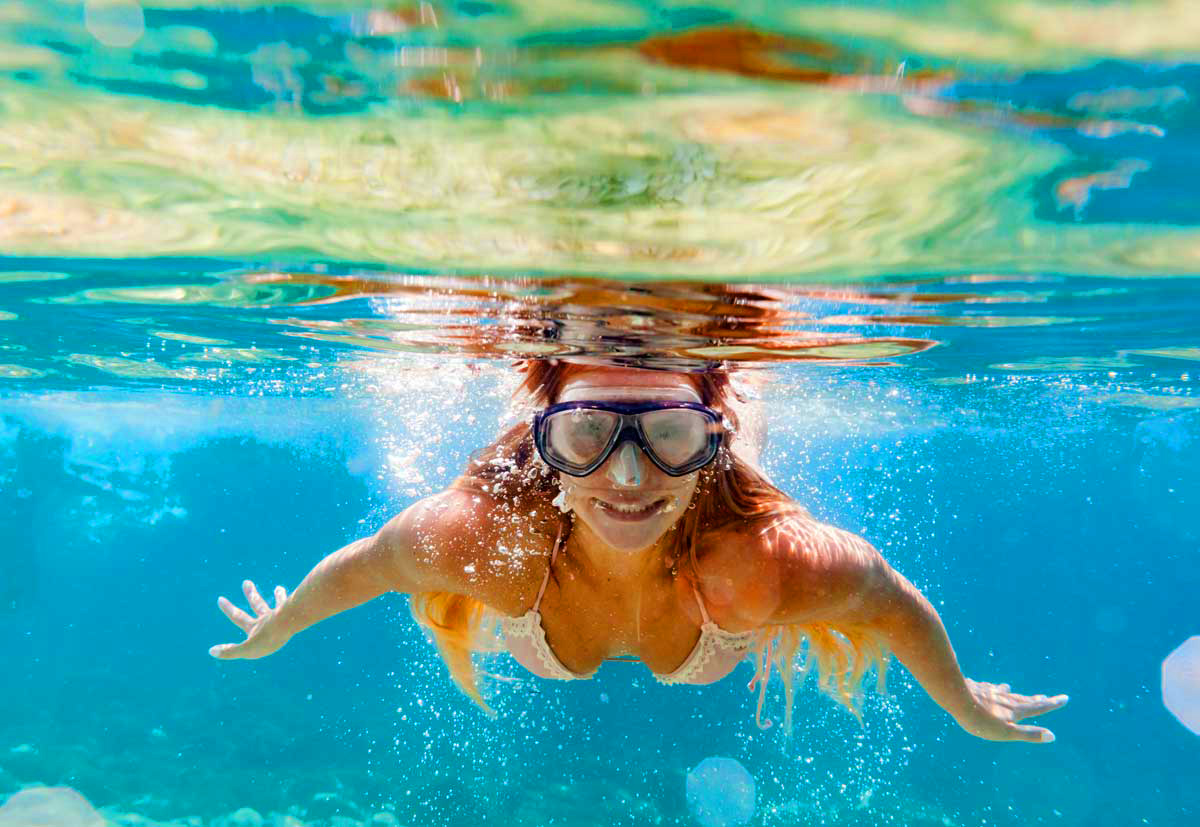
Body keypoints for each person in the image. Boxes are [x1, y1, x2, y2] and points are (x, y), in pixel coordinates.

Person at [211, 358, 1067, 741]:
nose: (627, 474)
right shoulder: (486, 541)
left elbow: (890, 599)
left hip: (714, 549)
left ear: (709, 446)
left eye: (670, 433)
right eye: (585, 434)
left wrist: (959, 701)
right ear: (545, 446)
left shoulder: (763, 560)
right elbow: (362, 566)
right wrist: (280, 625)